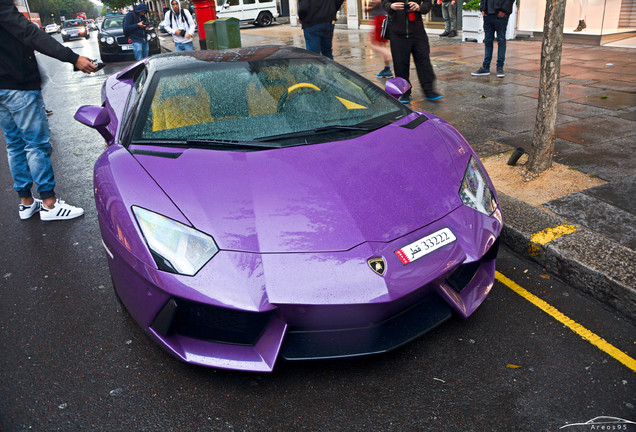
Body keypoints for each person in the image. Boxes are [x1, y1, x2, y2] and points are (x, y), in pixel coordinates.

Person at [0, 0, 97, 221]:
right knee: (36, 144)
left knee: (14, 144)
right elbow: (30, 34)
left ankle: (26, 202)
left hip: (2, 88)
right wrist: (73, 58)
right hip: (19, 86)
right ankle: (49, 204)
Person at [382, 0, 442, 103]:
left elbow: (428, 3)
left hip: (418, 32)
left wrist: (419, 7)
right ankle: (405, 92)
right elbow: (384, 3)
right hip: (398, 34)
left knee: (424, 62)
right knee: (400, 64)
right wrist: (391, 6)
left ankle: (429, 91)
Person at [470, 0, 514, 78]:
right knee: (488, 41)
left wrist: (504, 10)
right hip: (488, 14)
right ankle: (485, 67)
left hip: (501, 14)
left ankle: (500, 68)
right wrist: (483, 8)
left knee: (501, 40)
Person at [367, 0, 393, 78]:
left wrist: (369, 7)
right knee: (382, 45)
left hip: (380, 19)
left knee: (373, 44)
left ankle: (392, 57)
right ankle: (387, 69)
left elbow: (377, 1)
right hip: (380, 18)